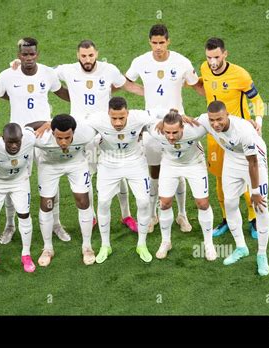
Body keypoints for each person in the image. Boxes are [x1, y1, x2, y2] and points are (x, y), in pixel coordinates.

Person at [53, 40, 145, 232]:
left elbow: (125, 85)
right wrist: (18, 66)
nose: (88, 59)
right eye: (84, 56)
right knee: (88, 174)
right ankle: (93, 216)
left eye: (91, 55)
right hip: (82, 134)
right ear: (78, 55)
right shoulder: (67, 70)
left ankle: (126, 215)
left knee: (119, 172)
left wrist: (148, 93)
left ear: (97, 54)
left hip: (106, 131)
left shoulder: (109, 69)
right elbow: (43, 72)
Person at [0, 37, 71, 243]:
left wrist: (87, 96)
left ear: (37, 54)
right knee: (11, 178)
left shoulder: (47, 73)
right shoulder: (7, 75)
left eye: (32, 54)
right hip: (18, 137)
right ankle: (9, 225)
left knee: (50, 180)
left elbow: (60, 92)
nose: (28, 58)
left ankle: (56, 223)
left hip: (44, 132)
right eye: (24, 54)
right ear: (19, 55)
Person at [125, 24, 201, 233]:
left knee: (179, 170)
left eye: (162, 42)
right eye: (154, 42)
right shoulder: (140, 61)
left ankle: (182, 215)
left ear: (168, 41)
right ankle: (152, 215)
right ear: (149, 42)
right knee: (154, 172)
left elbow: (195, 84)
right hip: (152, 128)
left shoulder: (182, 61)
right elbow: (126, 82)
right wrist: (146, 93)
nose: (158, 47)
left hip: (177, 125)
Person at [196, 37, 265, 239]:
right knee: (219, 178)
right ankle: (226, 218)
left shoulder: (240, 75)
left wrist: (258, 120)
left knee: (244, 179)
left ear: (225, 54)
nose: (212, 62)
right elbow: (207, 90)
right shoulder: (204, 68)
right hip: (216, 134)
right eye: (209, 57)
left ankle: (253, 219)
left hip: (238, 135)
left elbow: (257, 100)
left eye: (216, 57)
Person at [194, 101, 269, 276]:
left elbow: (252, 163)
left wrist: (256, 192)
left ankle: (261, 254)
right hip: (232, 159)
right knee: (229, 203)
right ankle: (241, 247)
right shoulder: (206, 120)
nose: (215, 124)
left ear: (227, 115)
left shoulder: (244, 130)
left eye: (219, 119)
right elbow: (189, 122)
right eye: (212, 120)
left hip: (254, 161)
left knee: (261, 207)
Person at [86, 97, 159, 264]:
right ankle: (105, 245)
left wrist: (176, 116)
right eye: (114, 118)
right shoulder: (97, 119)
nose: (118, 122)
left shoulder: (139, 117)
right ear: (108, 114)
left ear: (128, 113)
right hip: (108, 164)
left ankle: (142, 244)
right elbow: (76, 124)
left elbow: (159, 115)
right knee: (103, 202)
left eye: (121, 117)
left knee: (143, 202)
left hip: (135, 162)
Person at [149, 110, 216, 260]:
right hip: (170, 165)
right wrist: (158, 118)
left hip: (195, 164)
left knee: (203, 203)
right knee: (165, 203)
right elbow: (140, 119)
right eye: (168, 133)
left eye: (175, 133)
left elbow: (219, 115)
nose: (171, 137)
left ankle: (208, 243)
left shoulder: (195, 128)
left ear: (183, 127)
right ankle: (166, 242)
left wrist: (251, 122)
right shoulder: (156, 130)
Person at [32, 115, 96, 267]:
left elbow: (104, 125)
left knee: (83, 200)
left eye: (67, 137)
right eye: (59, 138)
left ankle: (87, 246)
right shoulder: (41, 138)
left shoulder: (86, 132)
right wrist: (43, 123)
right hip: (49, 165)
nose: (63, 142)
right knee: (47, 204)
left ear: (74, 131)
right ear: (52, 132)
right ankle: (47, 248)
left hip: (76, 163)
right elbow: (22, 129)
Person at [0, 123, 36, 274]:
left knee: (24, 214)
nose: (13, 146)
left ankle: (26, 254)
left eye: (17, 142)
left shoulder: (29, 139)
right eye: (9, 142)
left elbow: (31, 126)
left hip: (19, 181)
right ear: (2, 139)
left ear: (22, 138)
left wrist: (47, 124)